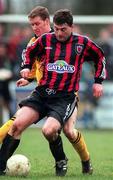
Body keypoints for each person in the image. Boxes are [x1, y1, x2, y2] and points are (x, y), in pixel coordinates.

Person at [0, 8, 106, 176]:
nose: (58, 33)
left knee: (51, 130)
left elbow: (99, 57)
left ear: (71, 26)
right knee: (16, 125)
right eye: (56, 29)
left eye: (63, 29)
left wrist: (98, 82)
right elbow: (29, 52)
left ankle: (64, 161)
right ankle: (0, 168)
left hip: (64, 97)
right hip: (42, 93)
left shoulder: (82, 43)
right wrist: (26, 68)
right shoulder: (46, 40)